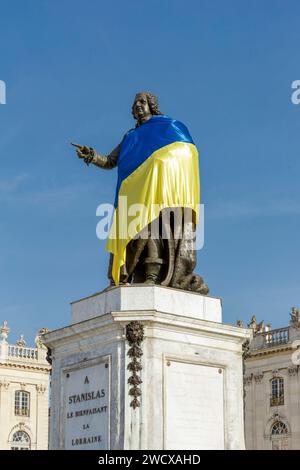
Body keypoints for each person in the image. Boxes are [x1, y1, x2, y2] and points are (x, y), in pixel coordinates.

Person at [73, 92, 208, 294]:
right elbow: (110, 161)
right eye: (135, 103)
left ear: (152, 106)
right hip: (135, 192)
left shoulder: (169, 127)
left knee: (154, 230)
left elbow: (186, 151)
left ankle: (153, 276)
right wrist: (92, 156)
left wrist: (161, 170)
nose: (138, 106)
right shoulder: (130, 137)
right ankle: (132, 276)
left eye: (142, 102)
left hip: (162, 192)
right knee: (136, 233)